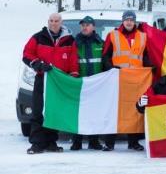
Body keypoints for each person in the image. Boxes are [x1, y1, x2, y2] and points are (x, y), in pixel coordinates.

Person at [23, 13, 79, 154]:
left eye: (56, 21)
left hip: (59, 81)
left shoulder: (69, 40)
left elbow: (73, 60)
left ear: (61, 23)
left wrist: (72, 76)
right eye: (51, 21)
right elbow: (27, 54)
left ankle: (51, 142)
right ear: (48, 22)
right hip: (42, 79)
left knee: (54, 111)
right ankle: (37, 143)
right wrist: (38, 64)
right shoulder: (38, 37)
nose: (54, 23)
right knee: (38, 110)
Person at [101, 10, 150, 151]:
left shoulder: (143, 36)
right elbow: (106, 56)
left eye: (131, 20)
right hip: (117, 79)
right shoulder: (113, 35)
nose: (129, 22)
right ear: (122, 21)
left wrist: (150, 66)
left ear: (135, 21)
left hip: (136, 80)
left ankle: (133, 142)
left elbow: (145, 55)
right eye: (126, 19)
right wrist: (111, 69)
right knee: (114, 109)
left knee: (134, 109)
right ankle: (109, 142)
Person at [70, 16, 105, 151]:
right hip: (79, 84)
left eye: (88, 25)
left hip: (96, 85)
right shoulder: (75, 43)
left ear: (93, 27)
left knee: (94, 112)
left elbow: (105, 62)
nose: (85, 27)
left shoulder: (100, 43)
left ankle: (93, 141)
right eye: (83, 25)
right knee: (78, 113)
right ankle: (76, 141)